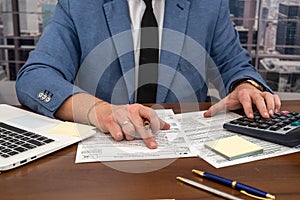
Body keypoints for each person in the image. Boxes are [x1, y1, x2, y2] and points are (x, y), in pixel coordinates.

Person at [16, 0, 280, 149]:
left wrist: (246, 86)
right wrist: (100, 110)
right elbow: (36, 76)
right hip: (105, 148)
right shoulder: (80, 5)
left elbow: (236, 65)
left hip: (188, 151)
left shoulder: (210, 5)